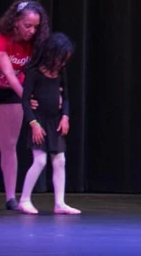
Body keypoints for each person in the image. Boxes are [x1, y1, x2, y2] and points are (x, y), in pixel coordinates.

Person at [0, 0, 50, 211]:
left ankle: (10, 197)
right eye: (28, 26)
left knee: (9, 145)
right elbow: (8, 73)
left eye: (36, 27)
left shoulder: (33, 44)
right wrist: (27, 100)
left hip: (12, 93)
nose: (32, 31)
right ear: (16, 22)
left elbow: (36, 73)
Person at [17, 32, 81, 215]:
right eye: (61, 59)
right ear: (52, 54)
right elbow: (25, 101)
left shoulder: (61, 73)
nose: (63, 63)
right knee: (40, 160)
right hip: (38, 121)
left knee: (60, 160)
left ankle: (60, 203)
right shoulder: (34, 73)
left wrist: (65, 117)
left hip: (55, 121)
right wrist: (34, 123)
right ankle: (24, 199)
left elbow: (66, 98)